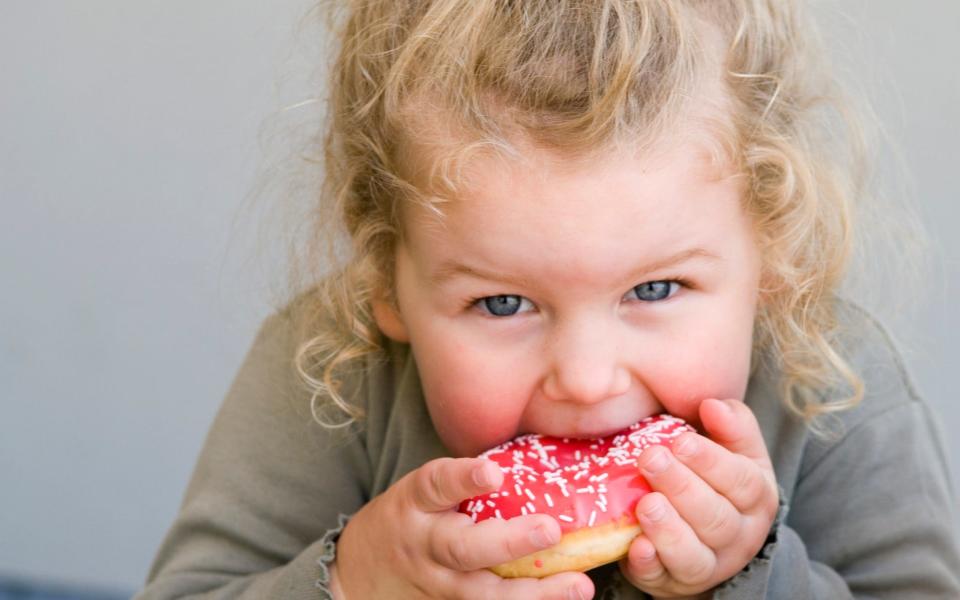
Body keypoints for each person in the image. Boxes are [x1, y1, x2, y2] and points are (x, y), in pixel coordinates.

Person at [135, 1, 960, 598]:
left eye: (656, 288)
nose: (588, 380)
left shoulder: (833, 383)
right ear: (386, 281)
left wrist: (751, 573)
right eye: (502, 305)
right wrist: (355, 580)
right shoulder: (333, 370)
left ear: (771, 254)